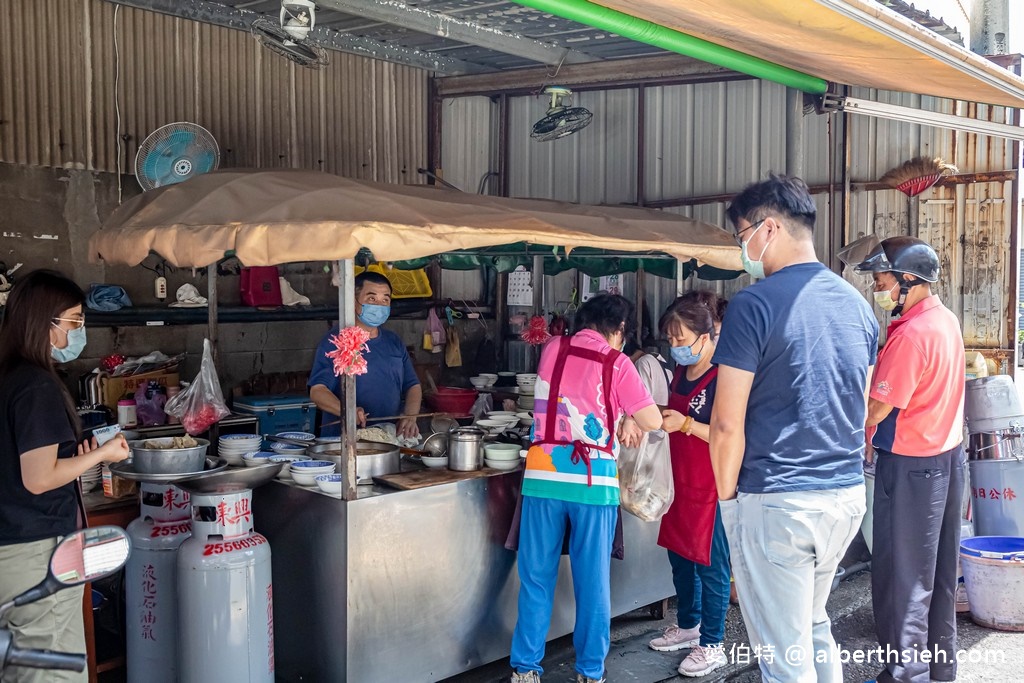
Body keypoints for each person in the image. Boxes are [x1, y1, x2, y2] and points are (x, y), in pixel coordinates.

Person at [710, 174, 879, 683]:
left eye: (742, 237)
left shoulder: (751, 305)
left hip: (780, 503)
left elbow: (725, 422)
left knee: (784, 657)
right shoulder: (858, 306)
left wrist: (727, 504)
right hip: (845, 496)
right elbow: (860, 402)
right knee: (812, 624)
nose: (743, 249)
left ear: (769, 228)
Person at [510, 294, 663, 683]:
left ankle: (525, 669)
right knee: (592, 581)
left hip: (542, 476)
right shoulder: (618, 362)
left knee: (536, 577)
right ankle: (590, 671)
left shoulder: (553, 349)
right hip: (593, 484)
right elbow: (652, 419)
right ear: (619, 330)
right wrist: (628, 415)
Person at [0, 269, 131, 683]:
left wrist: (73, 457)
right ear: (46, 322)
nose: (78, 331)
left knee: (19, 667)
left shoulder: (7, 377)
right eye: (74, 321)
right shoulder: (37, 385)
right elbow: (38, 478)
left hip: (10, 551)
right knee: (49, 670)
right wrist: (103, 455)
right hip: (38, 552)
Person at [853, 236, 965, 683]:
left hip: (911, 466)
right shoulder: (945, 320)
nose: (878, 289)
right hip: (947, 459)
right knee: (937, 575)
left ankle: (904, 675)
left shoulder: (911, 336)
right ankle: (940, 669)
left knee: (903, 580)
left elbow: (876, 409)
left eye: (882, 280)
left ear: (908, 280)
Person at [647, 293, 731, 678]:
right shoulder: (683, 371)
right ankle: (688, 626)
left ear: (707, 334)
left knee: (712, 566)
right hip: (678, 480)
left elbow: (729, 434)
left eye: (682, 339)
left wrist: (684, 425)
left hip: (711, 485)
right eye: (672, 341)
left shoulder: (724, 376)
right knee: (680, 556)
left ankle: (713, 644)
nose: (676, 347)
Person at [308, 271, 421, 439]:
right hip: (343, 441)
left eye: (385, 300)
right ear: (353, 301)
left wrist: (410, 416)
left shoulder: (394, 342)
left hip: (388, 439)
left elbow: (412, 385)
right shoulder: (336, 342)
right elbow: (317, 391)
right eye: (371, 299)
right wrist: (347, 411)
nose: (379, 305)